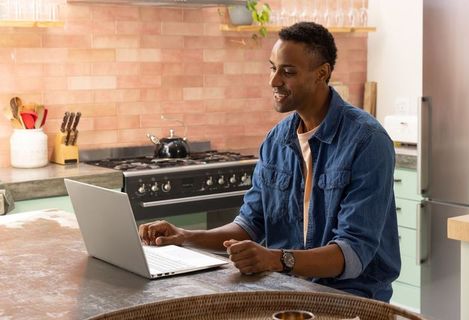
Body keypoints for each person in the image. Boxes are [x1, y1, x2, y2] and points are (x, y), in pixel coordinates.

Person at [139, 22, 401, 302]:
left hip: (350, 300)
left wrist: (276, 259)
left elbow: (352, 254)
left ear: (321, 74)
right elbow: (249, 225)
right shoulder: (276, 140)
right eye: (272, 68)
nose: (274, 81)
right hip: (286, 293)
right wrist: (185, 237)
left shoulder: (367, 141)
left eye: (287, 72)